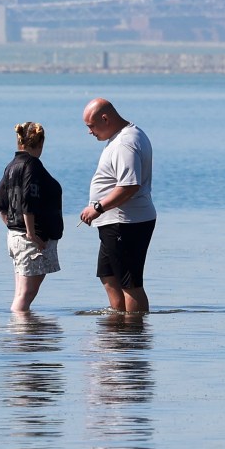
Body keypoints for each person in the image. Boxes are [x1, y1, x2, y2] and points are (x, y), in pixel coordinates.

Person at [77, 98, 156, 313]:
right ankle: (119, 325)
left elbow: (129, 186)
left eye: (91, 126)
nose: (89, 132)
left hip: (127, 222)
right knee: (108, 275)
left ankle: (133, 330)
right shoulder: (122, 137)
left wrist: (98, 208)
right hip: (115, 221)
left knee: (130, 284)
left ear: (105, 119)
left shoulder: (125, 143)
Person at [0, 122, 64, 312]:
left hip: (17, 237)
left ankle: (21, 329)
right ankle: (22, 330)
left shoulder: (12, 166)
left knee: (21, 294)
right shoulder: (32, 165)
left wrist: (13, 226)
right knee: (25, 294)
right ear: (40, 143)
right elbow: (28, 200)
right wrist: (31, 234)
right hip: (32, 239)